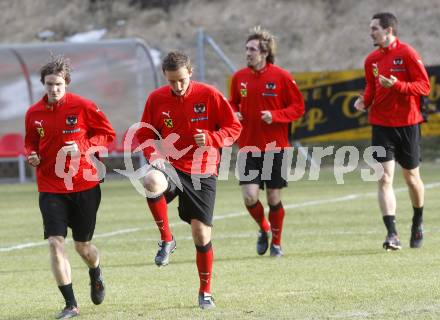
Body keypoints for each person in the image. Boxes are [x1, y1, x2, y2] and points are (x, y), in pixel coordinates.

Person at [136, 51, 241, 309]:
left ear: (190, 72)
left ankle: (205, 291)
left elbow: (234, 128)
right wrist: (153, 155)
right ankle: (167, 239)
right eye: (171, 81)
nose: (177, 86)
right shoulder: (156, 99)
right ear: (165, 77)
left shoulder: (209, 95)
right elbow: (144, 134)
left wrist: (212, 138)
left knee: (201, 234)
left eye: (181, 80)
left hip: (203, 169)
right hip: (171, 165)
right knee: (150, 180)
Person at [24, 55, 116, 319]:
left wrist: (83, 147)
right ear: (43, 84)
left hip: (84, 184)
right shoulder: (33, 114)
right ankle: (70, 304)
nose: (54, 89)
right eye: (50, 84)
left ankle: (95, 270)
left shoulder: (84, 106)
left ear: (67, 84)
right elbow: (30, 142)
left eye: (59, 84)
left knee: (83, 247)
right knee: (55, 242)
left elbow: (107, 135)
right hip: (50, 186)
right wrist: (31, 154)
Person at [354, 12, 430, 250]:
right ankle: (392, 234)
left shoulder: (407, 53)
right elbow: (371, 87)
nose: (371, 32)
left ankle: (417, 221)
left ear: (389, 30)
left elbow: (424, 86)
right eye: (371, 28)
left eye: (375, 28)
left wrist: (397, 85)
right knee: (384, 178)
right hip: (381, 125)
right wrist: (363, 102)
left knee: (411, 178)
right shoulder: (371, 60)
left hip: (407, 124)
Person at [229, 26, 305, 257]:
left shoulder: (281, 76)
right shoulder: (239, 77)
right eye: (246, 49)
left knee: (273, 197)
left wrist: (276, 116)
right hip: (248, 147)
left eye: (252, 49)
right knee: (250, 196)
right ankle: (264, 228)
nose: (248, 53)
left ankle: (277, 244)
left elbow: (298, 107)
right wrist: (234, 113)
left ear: (264, 53)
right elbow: (231, 103)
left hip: (276, 147)